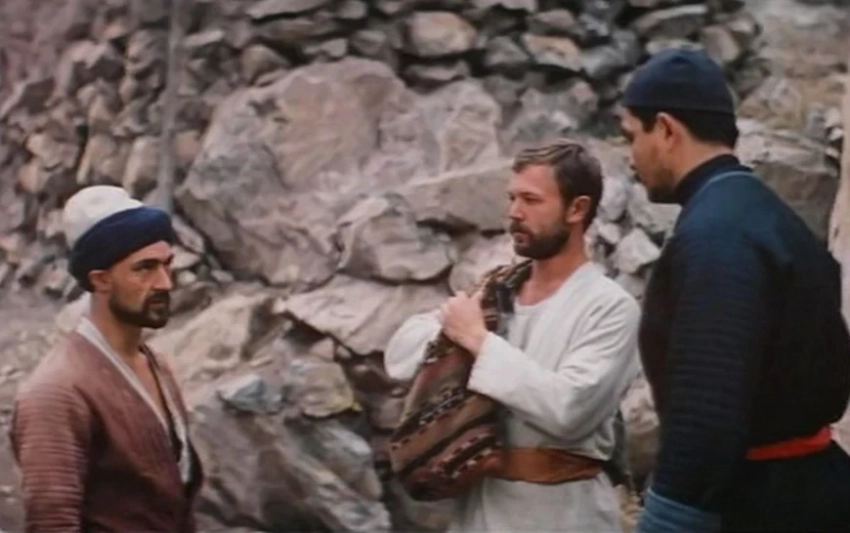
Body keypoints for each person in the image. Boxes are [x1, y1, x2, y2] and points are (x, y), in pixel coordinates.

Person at [619, 48, 850, 532]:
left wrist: (667, 520)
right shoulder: (764, 214)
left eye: (631, 136)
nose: (629, 156)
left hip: (766, 505)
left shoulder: (717, 236)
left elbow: (707, 413)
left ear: (666, 129)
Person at [384, 139, 641, 532]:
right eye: (512, 198)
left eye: (531, 200)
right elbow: (401, 356)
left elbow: (568, 411)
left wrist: (477, 340)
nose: (514, 213)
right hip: (478, 513)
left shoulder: (609, 307)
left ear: (577, 209)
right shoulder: (496, 290)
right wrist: (458, 334)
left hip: (562, 517)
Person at [10, 185, 204, 533]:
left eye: (167, 265)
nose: (165, 283)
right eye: (144, 269)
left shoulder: (155, 365)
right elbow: (52, 523)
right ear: (100, 280)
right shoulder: (57, 393)